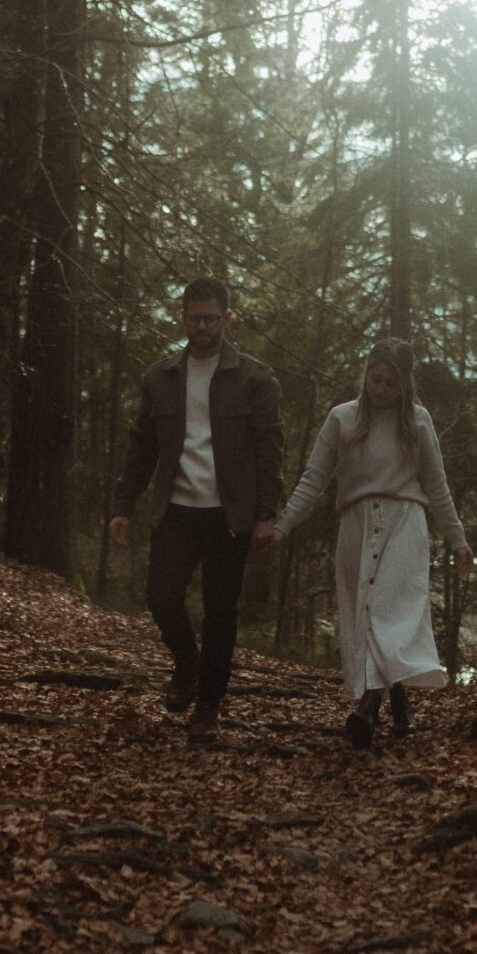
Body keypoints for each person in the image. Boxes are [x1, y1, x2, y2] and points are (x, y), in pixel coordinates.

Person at [264, 337, 472, 749]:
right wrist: (283, 526)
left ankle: (367, 709)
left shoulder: (418, 421)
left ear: (404, 385)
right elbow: (314, 478)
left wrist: (458, 540)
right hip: (356, 526)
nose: (380, 389)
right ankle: (399, 703)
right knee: (365, 616)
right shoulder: (342, 419)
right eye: (374, 379)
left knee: (386, 614)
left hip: (404, 525)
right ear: (366, 374)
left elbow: (437, 486)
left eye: (390, 384)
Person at [108, 278, 284, 744]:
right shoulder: (161, 377)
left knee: (221, 614)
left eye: (210, 318)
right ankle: (186, 664)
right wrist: (123, 505)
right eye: (193, 317)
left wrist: (267, 514)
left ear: (227, 319)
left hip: (230, 516)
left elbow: (270, 451)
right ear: (182, 318)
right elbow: (141, 448)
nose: (202, 326)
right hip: (178, 509)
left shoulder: (255, 378)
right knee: (161, 596)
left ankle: (207, 708)